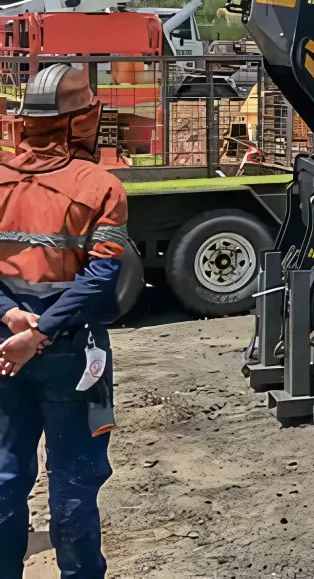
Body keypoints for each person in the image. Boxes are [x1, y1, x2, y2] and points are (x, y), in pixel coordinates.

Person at [0, 64, 129, 579]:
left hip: (6, 347)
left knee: (5, 474)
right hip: (72, 353)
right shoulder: (101, 187)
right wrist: (43, 332)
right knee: (74, 479)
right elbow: (98, 280)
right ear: (82, 121)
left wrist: (11, 317)